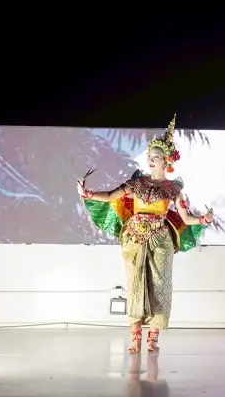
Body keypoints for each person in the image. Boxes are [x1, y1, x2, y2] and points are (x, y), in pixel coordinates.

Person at [77, 115, 215, 354]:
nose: (151, 160)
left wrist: (203, 220)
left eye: (156, 157)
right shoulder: (137, 183)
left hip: (160, 239)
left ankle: (153, 337)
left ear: (167, 161)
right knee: (135, 283)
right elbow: (111, 196)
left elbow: (185, 219)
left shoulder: (173, 189)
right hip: (134, 238)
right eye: (150, 156)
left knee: (160, 285)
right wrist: (88, 194)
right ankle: (135, 338)